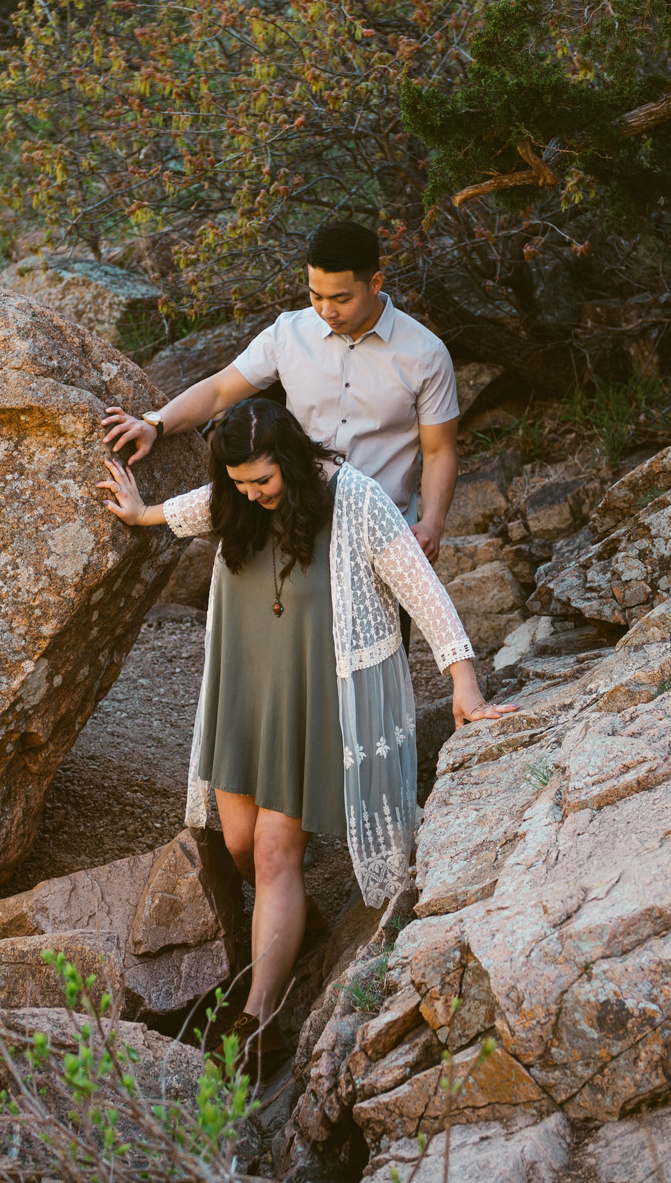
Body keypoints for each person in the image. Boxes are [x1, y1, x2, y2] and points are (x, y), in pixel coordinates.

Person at [96, 399, 516, 1075]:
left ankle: (258, 1016)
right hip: (245, 693)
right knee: (236, 843)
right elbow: (199, 507)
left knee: (270, 852)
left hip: (314, 698)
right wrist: (146, 513)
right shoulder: (235, 501)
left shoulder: (356, 501)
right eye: (239, 483)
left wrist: (463, 681)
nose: (253, 495)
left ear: (290, 461)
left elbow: (423, 589)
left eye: (264, 481)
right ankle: (297, 926)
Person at [99, 221, 461, 564]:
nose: (326, 311)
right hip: (295, 526)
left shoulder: (425, 354)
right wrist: (155, 424)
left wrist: (432, 523)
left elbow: (439, 449)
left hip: (382, 535)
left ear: (376, 282)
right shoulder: (289, 333)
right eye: (315, 295)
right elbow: (219, 391)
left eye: (340, 298)